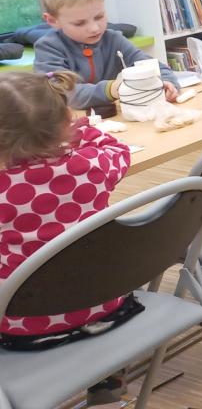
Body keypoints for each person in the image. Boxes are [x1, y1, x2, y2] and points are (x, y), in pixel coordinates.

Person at [1, 71, 134, 404]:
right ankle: (107, 383)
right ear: (64, 122)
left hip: (22, 325)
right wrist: (79, 129)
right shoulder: (91, 167)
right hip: (105, 306)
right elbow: (117, 148)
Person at [33, 0, 178, 112]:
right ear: (52, 20)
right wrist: (110, 89)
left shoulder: (114, 39)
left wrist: (164, 83)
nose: (94, 28)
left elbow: (155, 67)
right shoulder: (48, 47)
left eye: (99, 17)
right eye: (79, 23)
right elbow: (61, 94)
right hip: (71, 122)